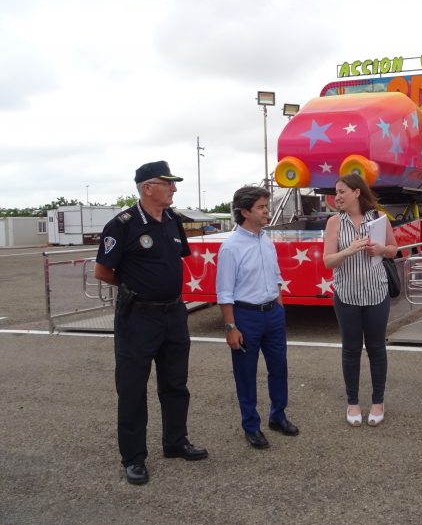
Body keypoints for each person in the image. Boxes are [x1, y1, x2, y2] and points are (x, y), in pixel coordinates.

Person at [95, 161, 208, 486]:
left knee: (175, 384)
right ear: (148, 187)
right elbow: (103, 272)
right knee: (132, 389)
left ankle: (175, 442)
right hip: (138, 316)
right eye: (168, 183)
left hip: (173, 314)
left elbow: (177, 259)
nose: (174, 188)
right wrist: (135, 288)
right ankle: (134, 458)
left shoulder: (172, 220)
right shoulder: (123, 224)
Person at [216, 186, 299, 450]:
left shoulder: (266, 239)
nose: (267, 211)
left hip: (272, 314)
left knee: (279, 369)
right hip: (246, 316)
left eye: (266, 206)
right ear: (244, 212)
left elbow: (275, 277)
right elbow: (225, 292)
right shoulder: (230, 248)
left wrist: (280, 307)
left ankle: (278, 416)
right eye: (261, 207)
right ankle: (251, 426)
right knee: (246, 374)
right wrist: (231, 327)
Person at [322, 173, 398, 427]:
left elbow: (394, 249)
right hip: (346, 295)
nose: (337, 196)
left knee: (376, 348)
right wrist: (348, 250)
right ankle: (352, 402)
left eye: (342, 191)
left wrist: (381, 250)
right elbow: (327, 261)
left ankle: (378, 401)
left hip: (376, 293)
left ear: (357, 192)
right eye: (336, 192)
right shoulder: (334, 222)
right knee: (351, 349)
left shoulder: (378, 218)